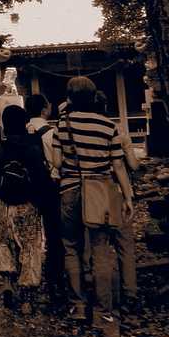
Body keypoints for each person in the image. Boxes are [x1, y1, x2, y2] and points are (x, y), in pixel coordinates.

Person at [55, 77, 135, 311]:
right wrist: (127, 197)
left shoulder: (63, 124)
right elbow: (118, 165)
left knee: (71, 246)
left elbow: (57, 162)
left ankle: (78, 305)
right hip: (100, 190)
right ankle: (104, 308)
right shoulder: (108, 126)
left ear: (70, 98)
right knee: (101, 248)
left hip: (70, 189)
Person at [0, 104, 49, 312]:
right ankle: (26, 298)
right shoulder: (32, 148)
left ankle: (7, 283)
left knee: (4, 244)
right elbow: (41, 179)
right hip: (27, 205)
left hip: (3, 205)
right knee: (30, 248)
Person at [24, 94, 67, 312]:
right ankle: (55, 275)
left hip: (29, 189)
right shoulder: (51, 133)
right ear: (44, 109)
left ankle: (28, 277)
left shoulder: (23, 131)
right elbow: (60, 162)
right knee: (54, 233)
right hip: (51, 187)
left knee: (29, 236)